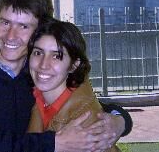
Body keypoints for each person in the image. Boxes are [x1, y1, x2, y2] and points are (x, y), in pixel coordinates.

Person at [0, 0, 132, 152]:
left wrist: (120, 121)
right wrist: (55, 144)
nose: (11, 36)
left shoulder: (39, 73)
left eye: (24, 26)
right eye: (5, 22)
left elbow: (82, 102)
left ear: (39, 31)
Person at [27, 18, 121, 152]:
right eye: (38, 53)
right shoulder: (38, 99)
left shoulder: (86, 121)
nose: (43, 64)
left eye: (56, 56)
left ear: (73, 65)